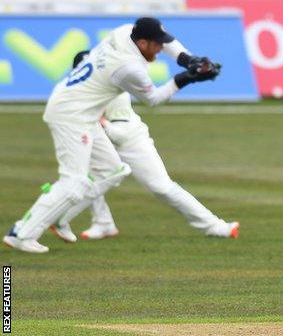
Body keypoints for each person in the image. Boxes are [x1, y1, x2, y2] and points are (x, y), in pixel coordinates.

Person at [4, 17, 220, 253]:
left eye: (162, 43)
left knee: (112, 171)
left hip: (81, 109)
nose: (161, 49)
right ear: (142, 42)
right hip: (72, 115)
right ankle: (21, 233)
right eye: (156, 45)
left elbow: (168, 44)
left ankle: (60, 216)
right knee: (74, 180)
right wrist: (186, 78)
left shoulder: (124, 31)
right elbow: (152, 100)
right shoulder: (129, 69)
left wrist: (189, 60)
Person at [50, 51, 238, 242]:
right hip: (103, 136)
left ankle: (216, 226)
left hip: (130, 138)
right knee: (88, 177)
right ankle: (103, 223)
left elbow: (121, 131)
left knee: (162, 188)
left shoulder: (111, 83)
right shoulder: (79, 91)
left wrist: (101, 123)